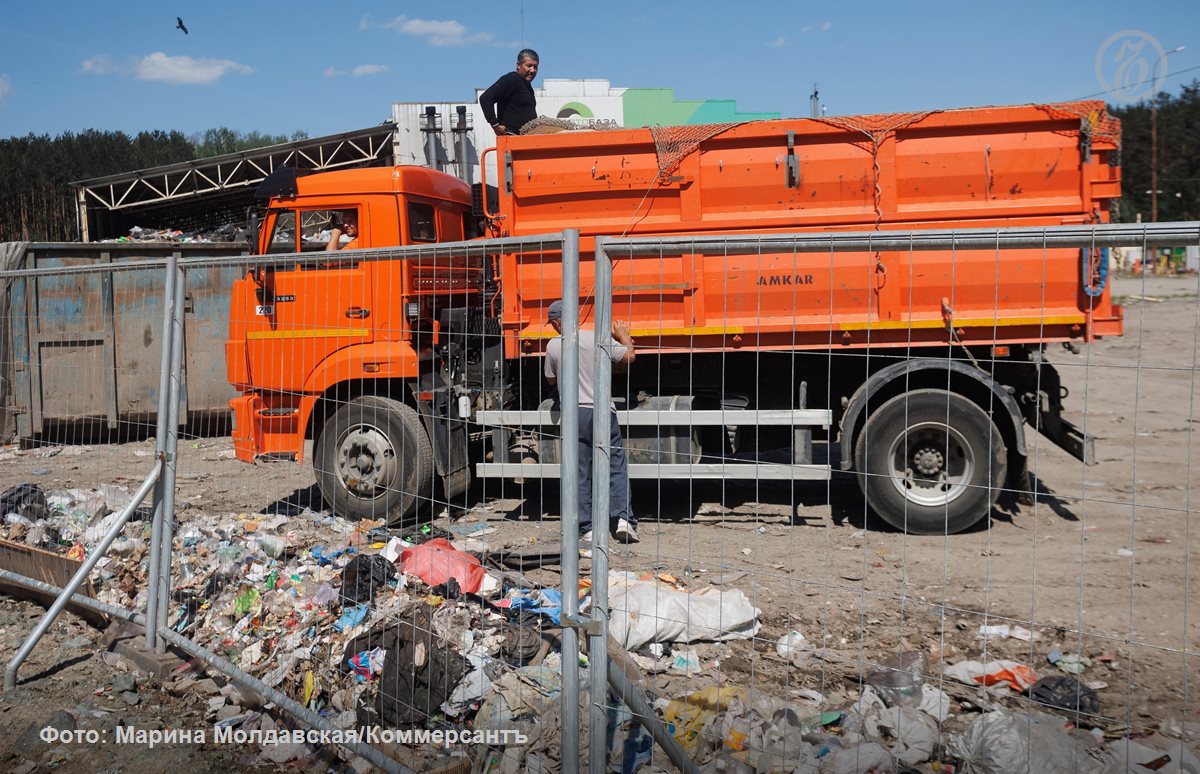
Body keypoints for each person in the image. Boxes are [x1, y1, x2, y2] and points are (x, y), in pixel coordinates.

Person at [543, 300, 639, 551]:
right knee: (615, 464)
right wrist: (624, 337)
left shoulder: (554, 345)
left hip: (575, 413)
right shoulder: (596, 338)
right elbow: (629, 357)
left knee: (580, 470)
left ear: (556, 323)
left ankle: (587, 528)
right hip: (602, 410)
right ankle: (623, 520)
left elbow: (551, 380)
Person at [479, 49, 539, 136]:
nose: (532, 70)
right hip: (511, 141)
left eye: (535, 67)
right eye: (529, 66)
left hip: (526, 141)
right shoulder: (511, 79)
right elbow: (486, 98)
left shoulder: (527, 87)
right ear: (518, 65)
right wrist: (495, 125)